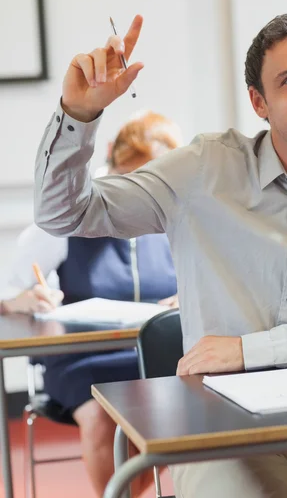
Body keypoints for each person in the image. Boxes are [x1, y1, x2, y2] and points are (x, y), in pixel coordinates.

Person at [34, 12, 287, 498]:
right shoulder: (204, 170)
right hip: (226, 429)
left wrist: (249, 350)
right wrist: (78, 117)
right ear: (259, 102)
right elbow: (65, 215)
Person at [1, 110, 180, 496]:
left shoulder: (176, 214)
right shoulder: (71, 211)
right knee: (102, 416)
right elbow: (7, 293)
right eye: (130, 178)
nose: (139, 192)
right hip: (82, 358)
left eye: (152, 183)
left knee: (188, 412)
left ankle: (123, 492)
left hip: (155, 355)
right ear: (112, 159)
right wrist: (26, 300)